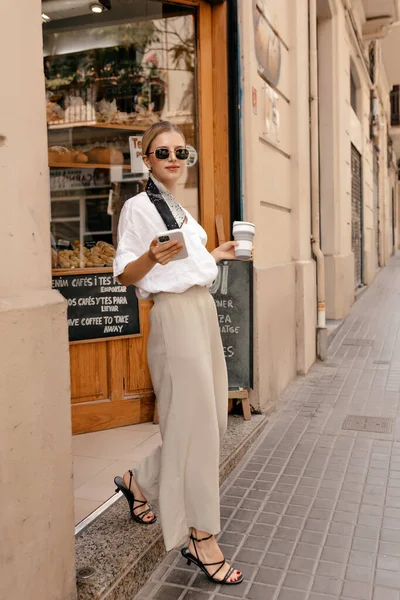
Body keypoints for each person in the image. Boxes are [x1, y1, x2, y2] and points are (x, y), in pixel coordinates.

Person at [113, 121, 243, 586]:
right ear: (146, 159)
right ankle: (201, 536)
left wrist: (218, 255)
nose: (172, 158)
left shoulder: (179, 210)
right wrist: (150, 258)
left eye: (180, 151)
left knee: (210, 421)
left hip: (201, 310)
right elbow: (126, 274)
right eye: (161, 152)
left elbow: (188, 262)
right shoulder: (136, 207)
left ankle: (139, 481)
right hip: (173, 317)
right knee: (198, 430)